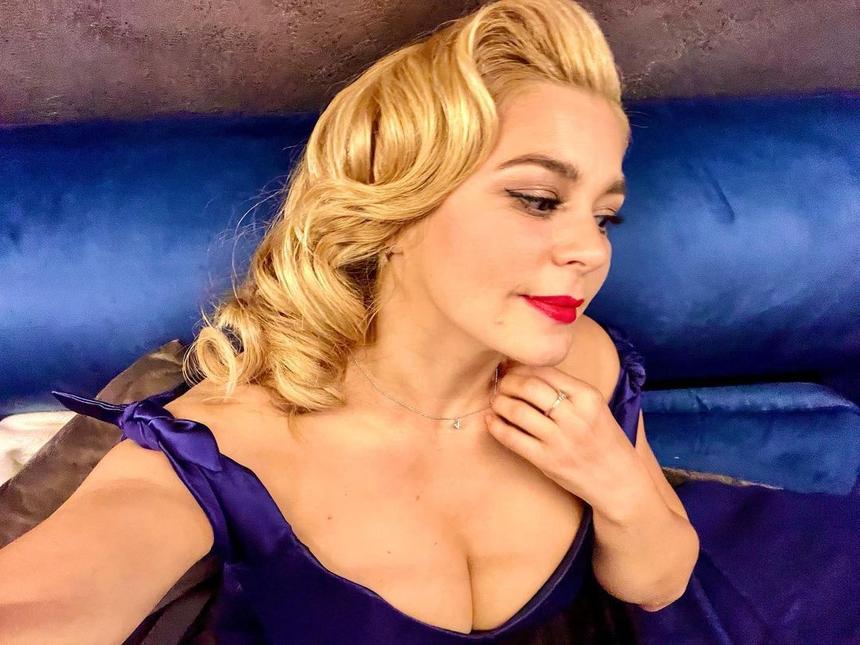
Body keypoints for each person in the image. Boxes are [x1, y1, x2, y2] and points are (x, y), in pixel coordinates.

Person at [0, 0, 700, 642]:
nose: (591, 251)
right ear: (394, 210)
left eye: (606, 216)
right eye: (539, 199)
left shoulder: (583, 360)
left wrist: (622, 489)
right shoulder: (228, 448)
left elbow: (658, 581)